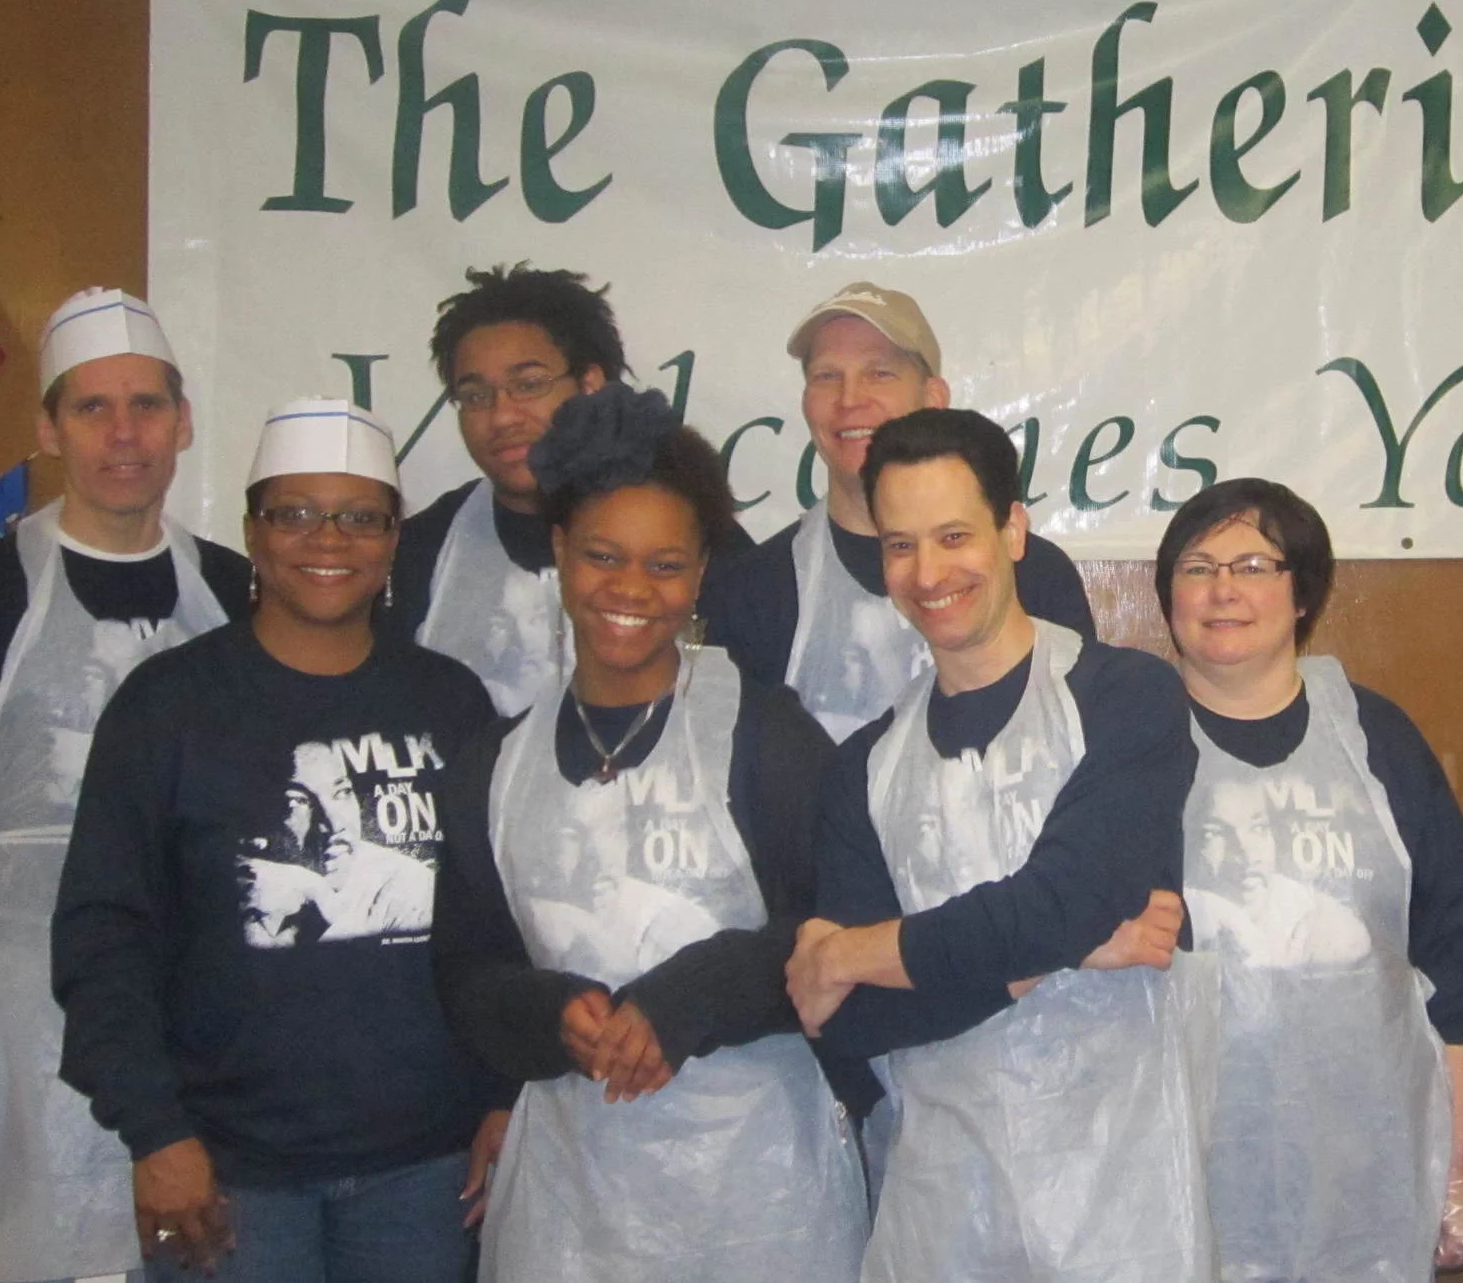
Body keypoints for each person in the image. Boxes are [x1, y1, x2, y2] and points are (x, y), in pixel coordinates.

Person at [53, 400, 505, 1282]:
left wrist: (500, 1095)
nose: (326, 538)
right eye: (295, 513)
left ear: (391, 541)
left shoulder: (450, 703)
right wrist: (157, 1132)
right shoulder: (166, 707)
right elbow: (103, 936)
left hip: (425, 1168)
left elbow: (494, 924)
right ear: (254, 532)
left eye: (358, 515)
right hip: (225, 1169)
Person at [430, 386, 866, 1280]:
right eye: (601, 556)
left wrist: (690, 999)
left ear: (702, 571)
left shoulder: (763, 736)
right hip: (570, 1197)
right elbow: (465, 969)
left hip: (759, 1196)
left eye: (665, 564)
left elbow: (841, 931)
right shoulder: (494, 766)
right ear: (558, 552)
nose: (630, 590)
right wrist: (548, 1012)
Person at [785, 407, 1208, 1282]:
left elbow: (1062, 903)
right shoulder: (865, 765)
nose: (928, 573)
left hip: (1121, 1208)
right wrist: (1056, 957)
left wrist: (860, 951)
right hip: (941, 1207)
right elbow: (848, 1020)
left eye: (953, 536)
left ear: (1012, 530)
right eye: (900, 545)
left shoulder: (1128, 697)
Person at [0, 288, 250, 1283]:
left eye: (146, 406)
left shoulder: (238, 594)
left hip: (201, 1011)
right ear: (49, 429)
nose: (123, 434)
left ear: (183, 423)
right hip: (14, 1008)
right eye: (92, 408)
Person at [1152, 477, 1463, 1279]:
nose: (1223, 589)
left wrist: (1459, 1161)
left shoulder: (1375, 735)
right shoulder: (1131, 746)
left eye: (1252, 565)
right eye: (1197, 567)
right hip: (1190, 1174)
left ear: (1302, 591)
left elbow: (1459, 950)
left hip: (1368, 1165)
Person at [710, 282, 1093, 740]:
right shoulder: (751, 591)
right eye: (827, 376)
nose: (850, 399)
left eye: (880, 373)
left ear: (933, 397)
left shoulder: (1033, 572)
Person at [396, 264, 745, 716]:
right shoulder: (423, 550)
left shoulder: (693, 538)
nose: (502, 417)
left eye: (529, 385)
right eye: (477, 396)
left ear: (591, 383)